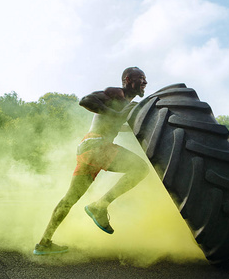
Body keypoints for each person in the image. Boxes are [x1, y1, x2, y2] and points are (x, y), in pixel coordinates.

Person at [34, 67, 149, 255]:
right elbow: (85, 100)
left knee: (69, 199)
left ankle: (43, 243)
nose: (145, 82)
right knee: (140, 169)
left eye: (146, 79)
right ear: (128, 79)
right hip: (97, 145)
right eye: (141, 78)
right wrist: (117, 114)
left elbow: (113, 124)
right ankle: (99, 206)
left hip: (88, 149)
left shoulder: (126, 102)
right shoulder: (116, 93)